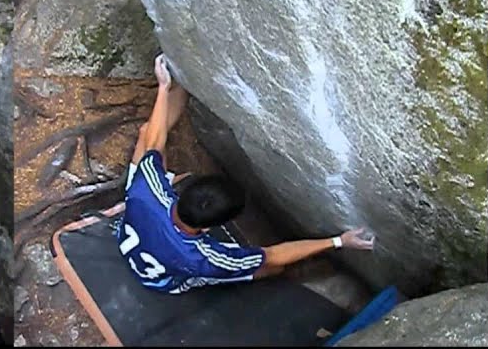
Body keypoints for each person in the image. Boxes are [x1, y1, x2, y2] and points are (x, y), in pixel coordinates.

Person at [118, 54, 375, 293]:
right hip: (163, 279)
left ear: (178, 193)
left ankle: (182, 86)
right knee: (272, 268)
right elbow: (273, 256)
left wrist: (164, 87)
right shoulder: (206, 257)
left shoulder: (148, 190)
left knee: (148, 138)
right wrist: (339, 241)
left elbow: (153, 142)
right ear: (208, 226)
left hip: (134, 232)